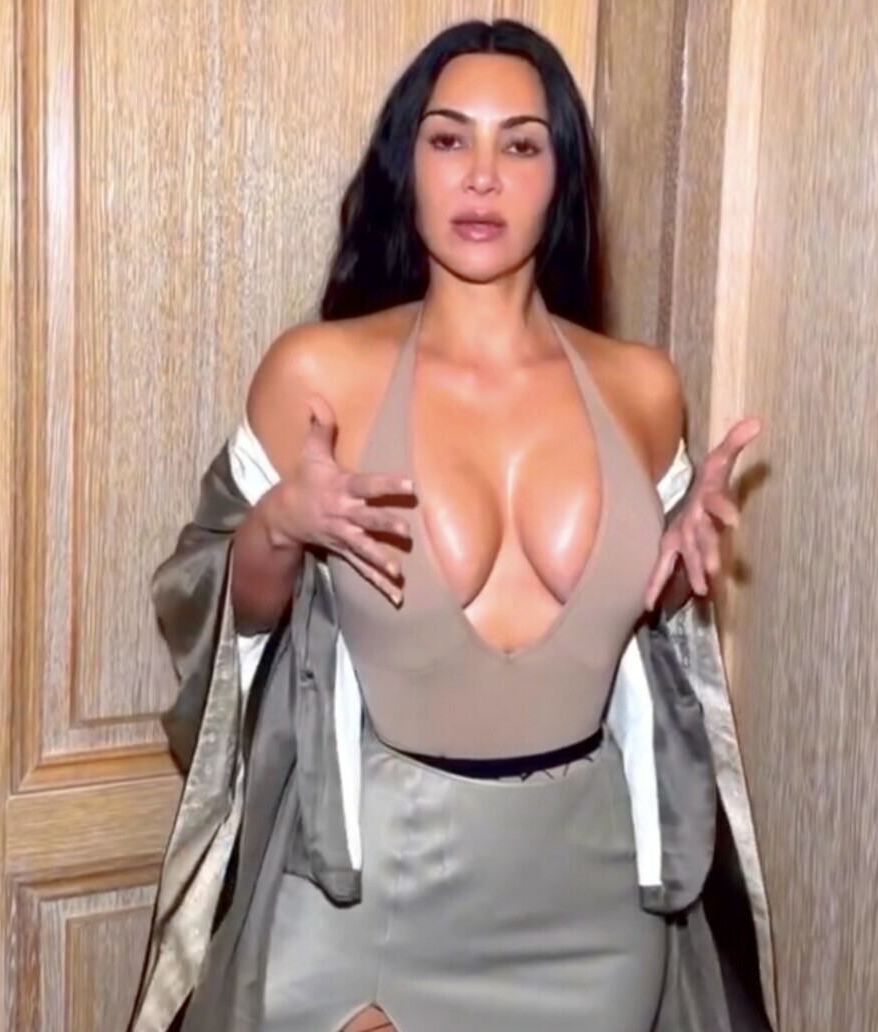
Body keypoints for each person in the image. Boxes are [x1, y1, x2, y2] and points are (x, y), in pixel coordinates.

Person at [128, 18, 775, 1032]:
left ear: (561, 178)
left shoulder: (643, 391)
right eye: (448, 139)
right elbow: (218, 612)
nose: (481, 176)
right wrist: (282, 525)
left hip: (593, 906)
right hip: (373, 898)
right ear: (408, 167)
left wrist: (677, 569)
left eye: (520, 144)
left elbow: (640, 656)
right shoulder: (319, 375)